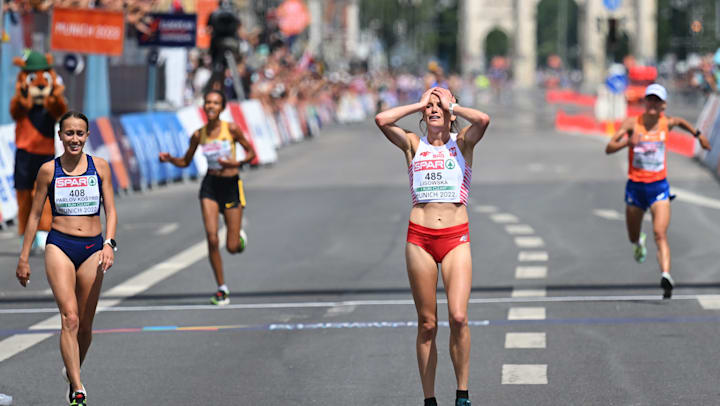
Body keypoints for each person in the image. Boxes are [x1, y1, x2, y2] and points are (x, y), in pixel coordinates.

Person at [375, 87, 490, 406]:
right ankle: (429, 399)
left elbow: (483, 119)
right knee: (427, 324)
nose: (434, 108)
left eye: (440, 105)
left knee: (458, 316)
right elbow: (382, 119)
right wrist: (421, 101)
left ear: (452, 111)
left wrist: (454, 106)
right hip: (420, 239)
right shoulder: (413, 143)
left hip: (455, 238)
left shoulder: (463, 142)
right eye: (430, 106)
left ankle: (462, 393)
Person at [15, 111, 118, 406]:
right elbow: (34, 215)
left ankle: (72, 370)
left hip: (93, 249)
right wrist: (24, 258)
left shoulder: (100, 167)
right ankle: (77, 388)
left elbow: (111, 209)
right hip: (59, 244)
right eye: (69, 133)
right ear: (59, 136)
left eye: (79, 133)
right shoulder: (49, 170)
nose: (74, 139)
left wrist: (109, 244)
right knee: (69, 318)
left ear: (87, 136)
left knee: (85, 326)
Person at [605, 84, 712, 299]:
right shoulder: (631, 124)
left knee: (660, 233)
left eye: (657, 101)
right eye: (650, 100)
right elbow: (609, 148)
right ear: (645, 102)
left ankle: (666, 275)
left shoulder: (667, 123)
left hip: (658, 188)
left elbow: (680, 122)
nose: (653, 104)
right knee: (633, 235)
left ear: (663, 105)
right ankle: (638, 244)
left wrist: (698, 135)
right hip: (635, 188)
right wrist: (628, 142)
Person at [159, 89, 255, 305]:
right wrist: (170, 159)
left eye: (215, 103)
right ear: (204, 106)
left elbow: (251, 153)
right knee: (212, 238)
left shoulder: (231, 129)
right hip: (210, 186)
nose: (211, 106)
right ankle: (221, 288)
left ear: (222, 108)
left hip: (231, 185)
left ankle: (238, 237)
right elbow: (185, 161)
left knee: (231, 247)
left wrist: (236, 163)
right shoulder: (198, 134)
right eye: (208, 103)